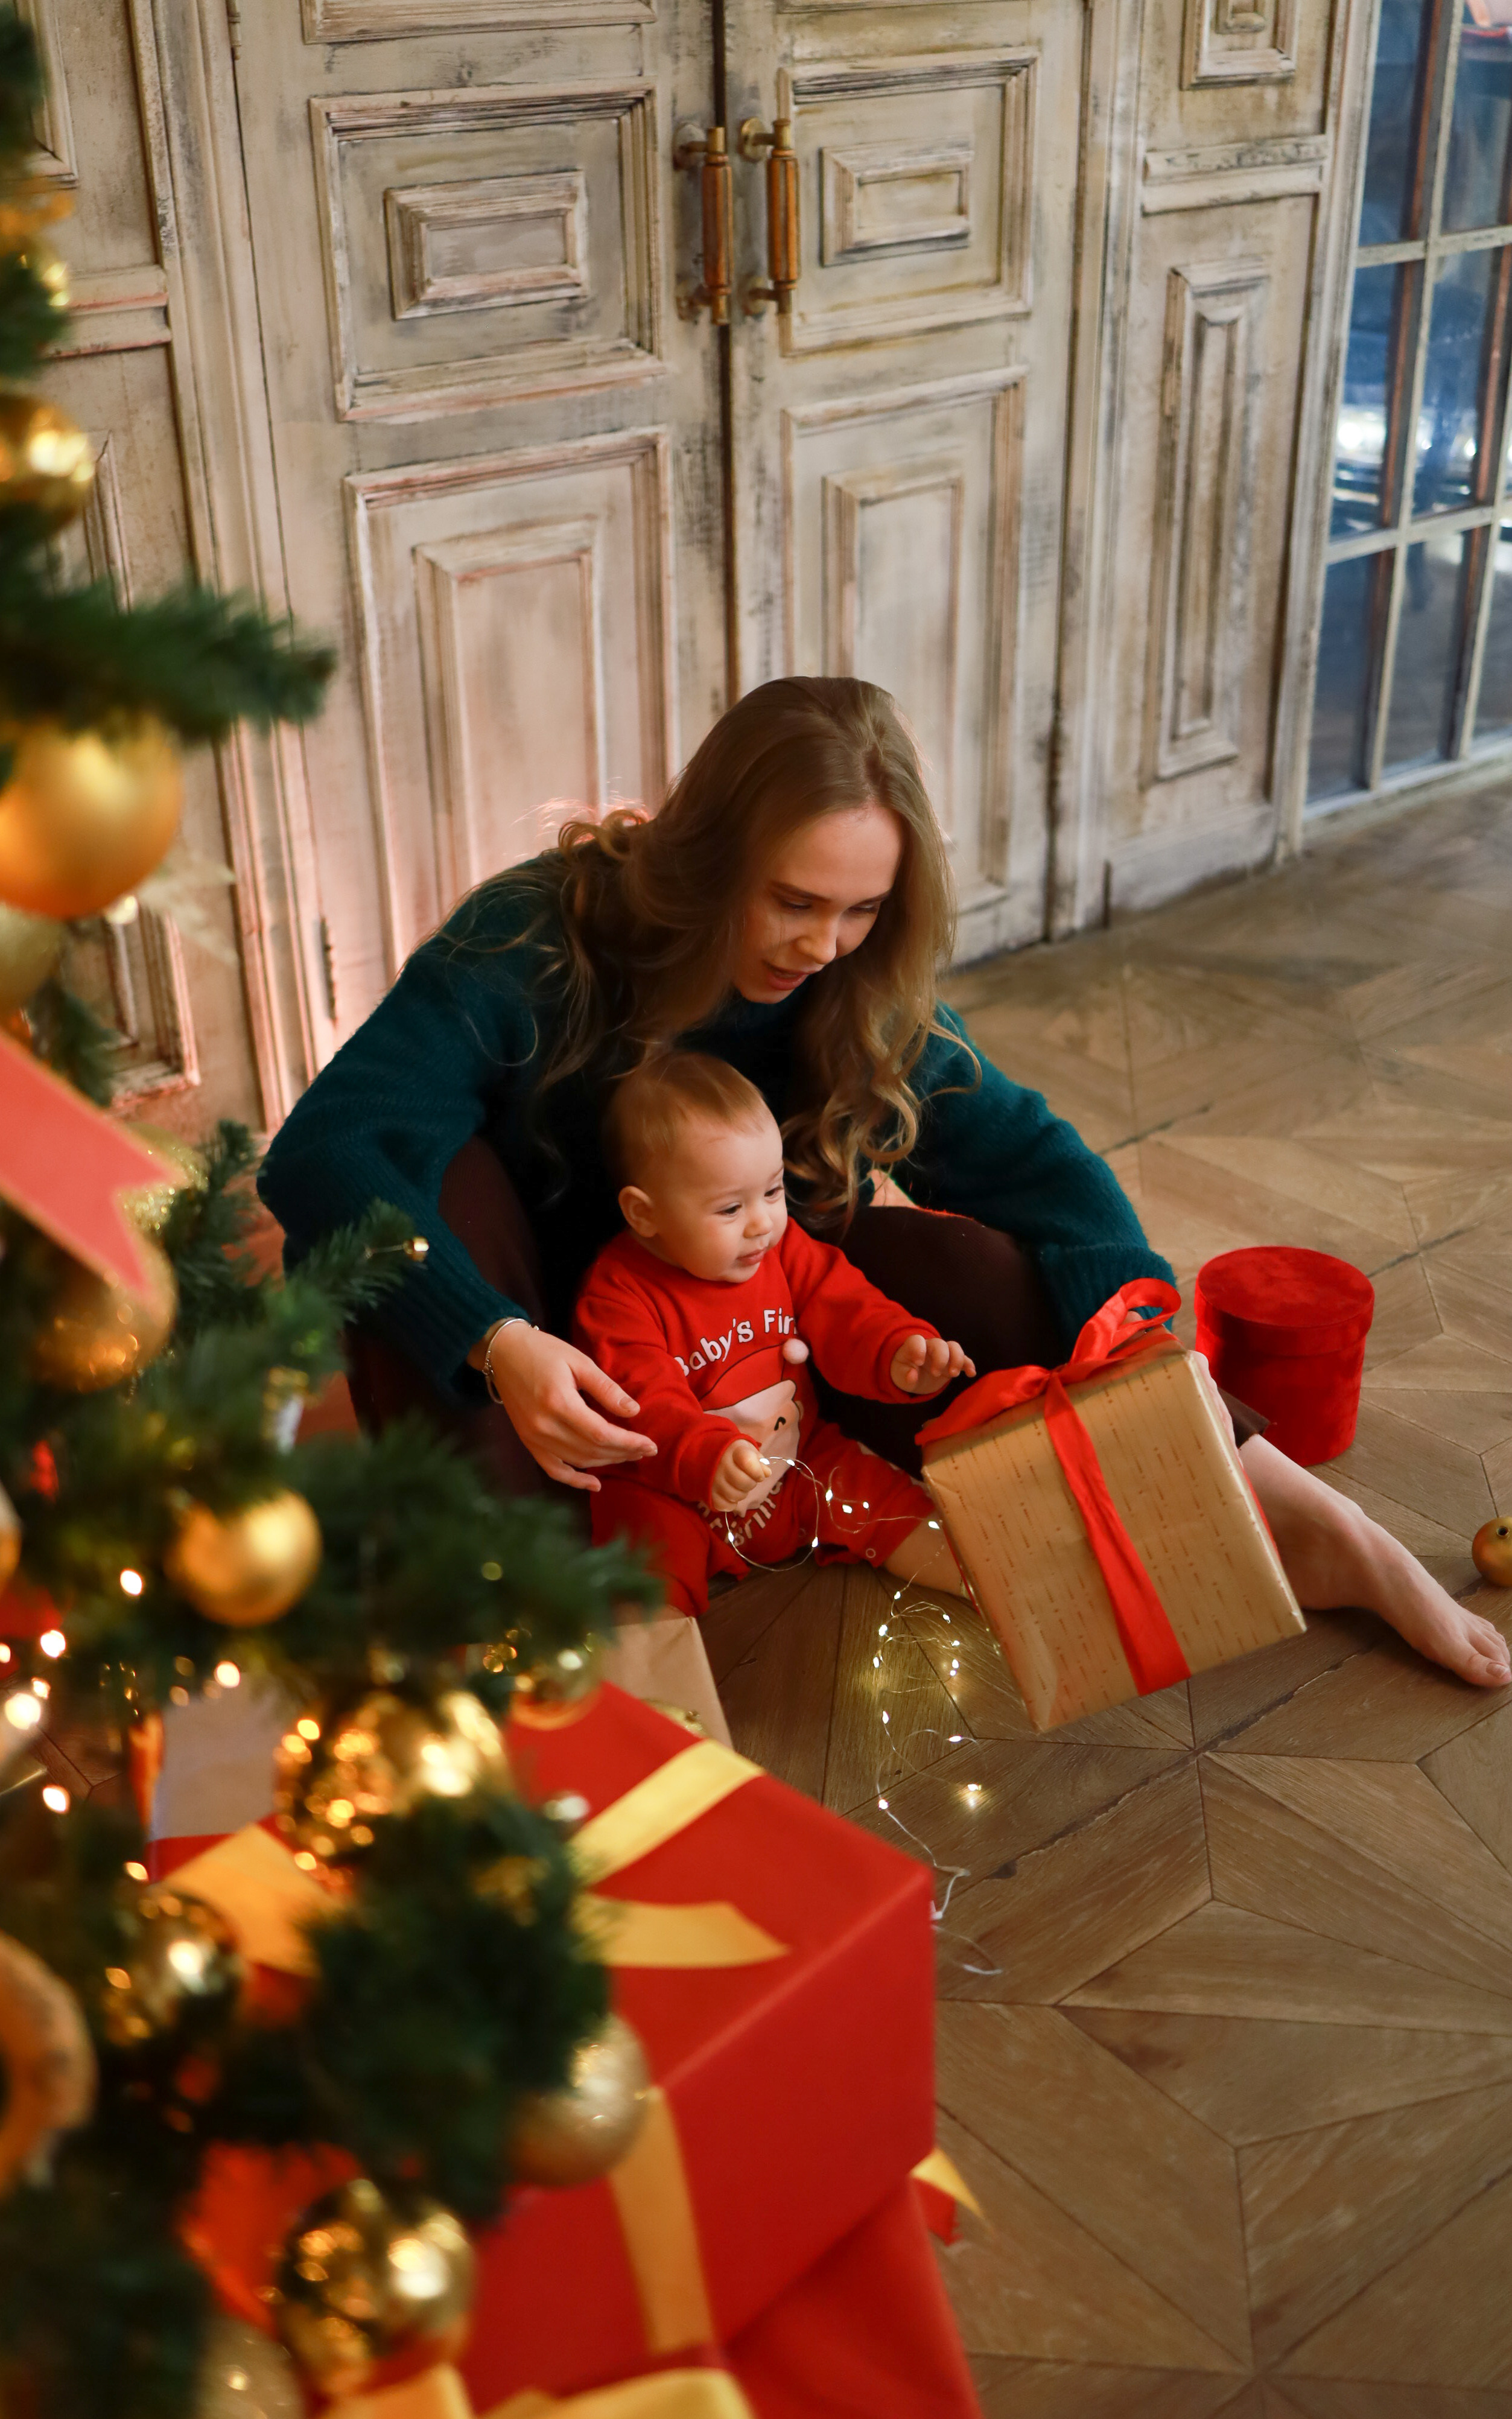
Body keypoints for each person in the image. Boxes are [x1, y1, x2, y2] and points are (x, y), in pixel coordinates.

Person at [258, 676, 1510, 1691]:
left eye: (860, 911)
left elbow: (1031, 1159)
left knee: (968, 1270)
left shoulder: (847, 988)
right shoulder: (536, 939)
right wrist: (491, 1342)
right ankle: (552, 1645)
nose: (821, 944)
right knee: (437, 1208)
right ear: (704, 857)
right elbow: (321, 1151)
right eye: (793, 901)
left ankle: (1294, 1517)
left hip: (760, 1331)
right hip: (562, 1357)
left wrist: (1139, 1328)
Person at [574, 1053, 969, 1613]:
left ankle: (988, 1581)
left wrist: (895, 1349)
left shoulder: (778, 1250)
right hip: (670, 1491)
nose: (762, 1222)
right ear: (645, 1215)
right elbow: (644, 1403)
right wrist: (706, 1455)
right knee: (641, 1569)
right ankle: (656, 1681)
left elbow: (845, 1305)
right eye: (731, 1207)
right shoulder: (618, 1296)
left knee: (889, 1501)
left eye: (774, 1191)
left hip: (799, 1462)